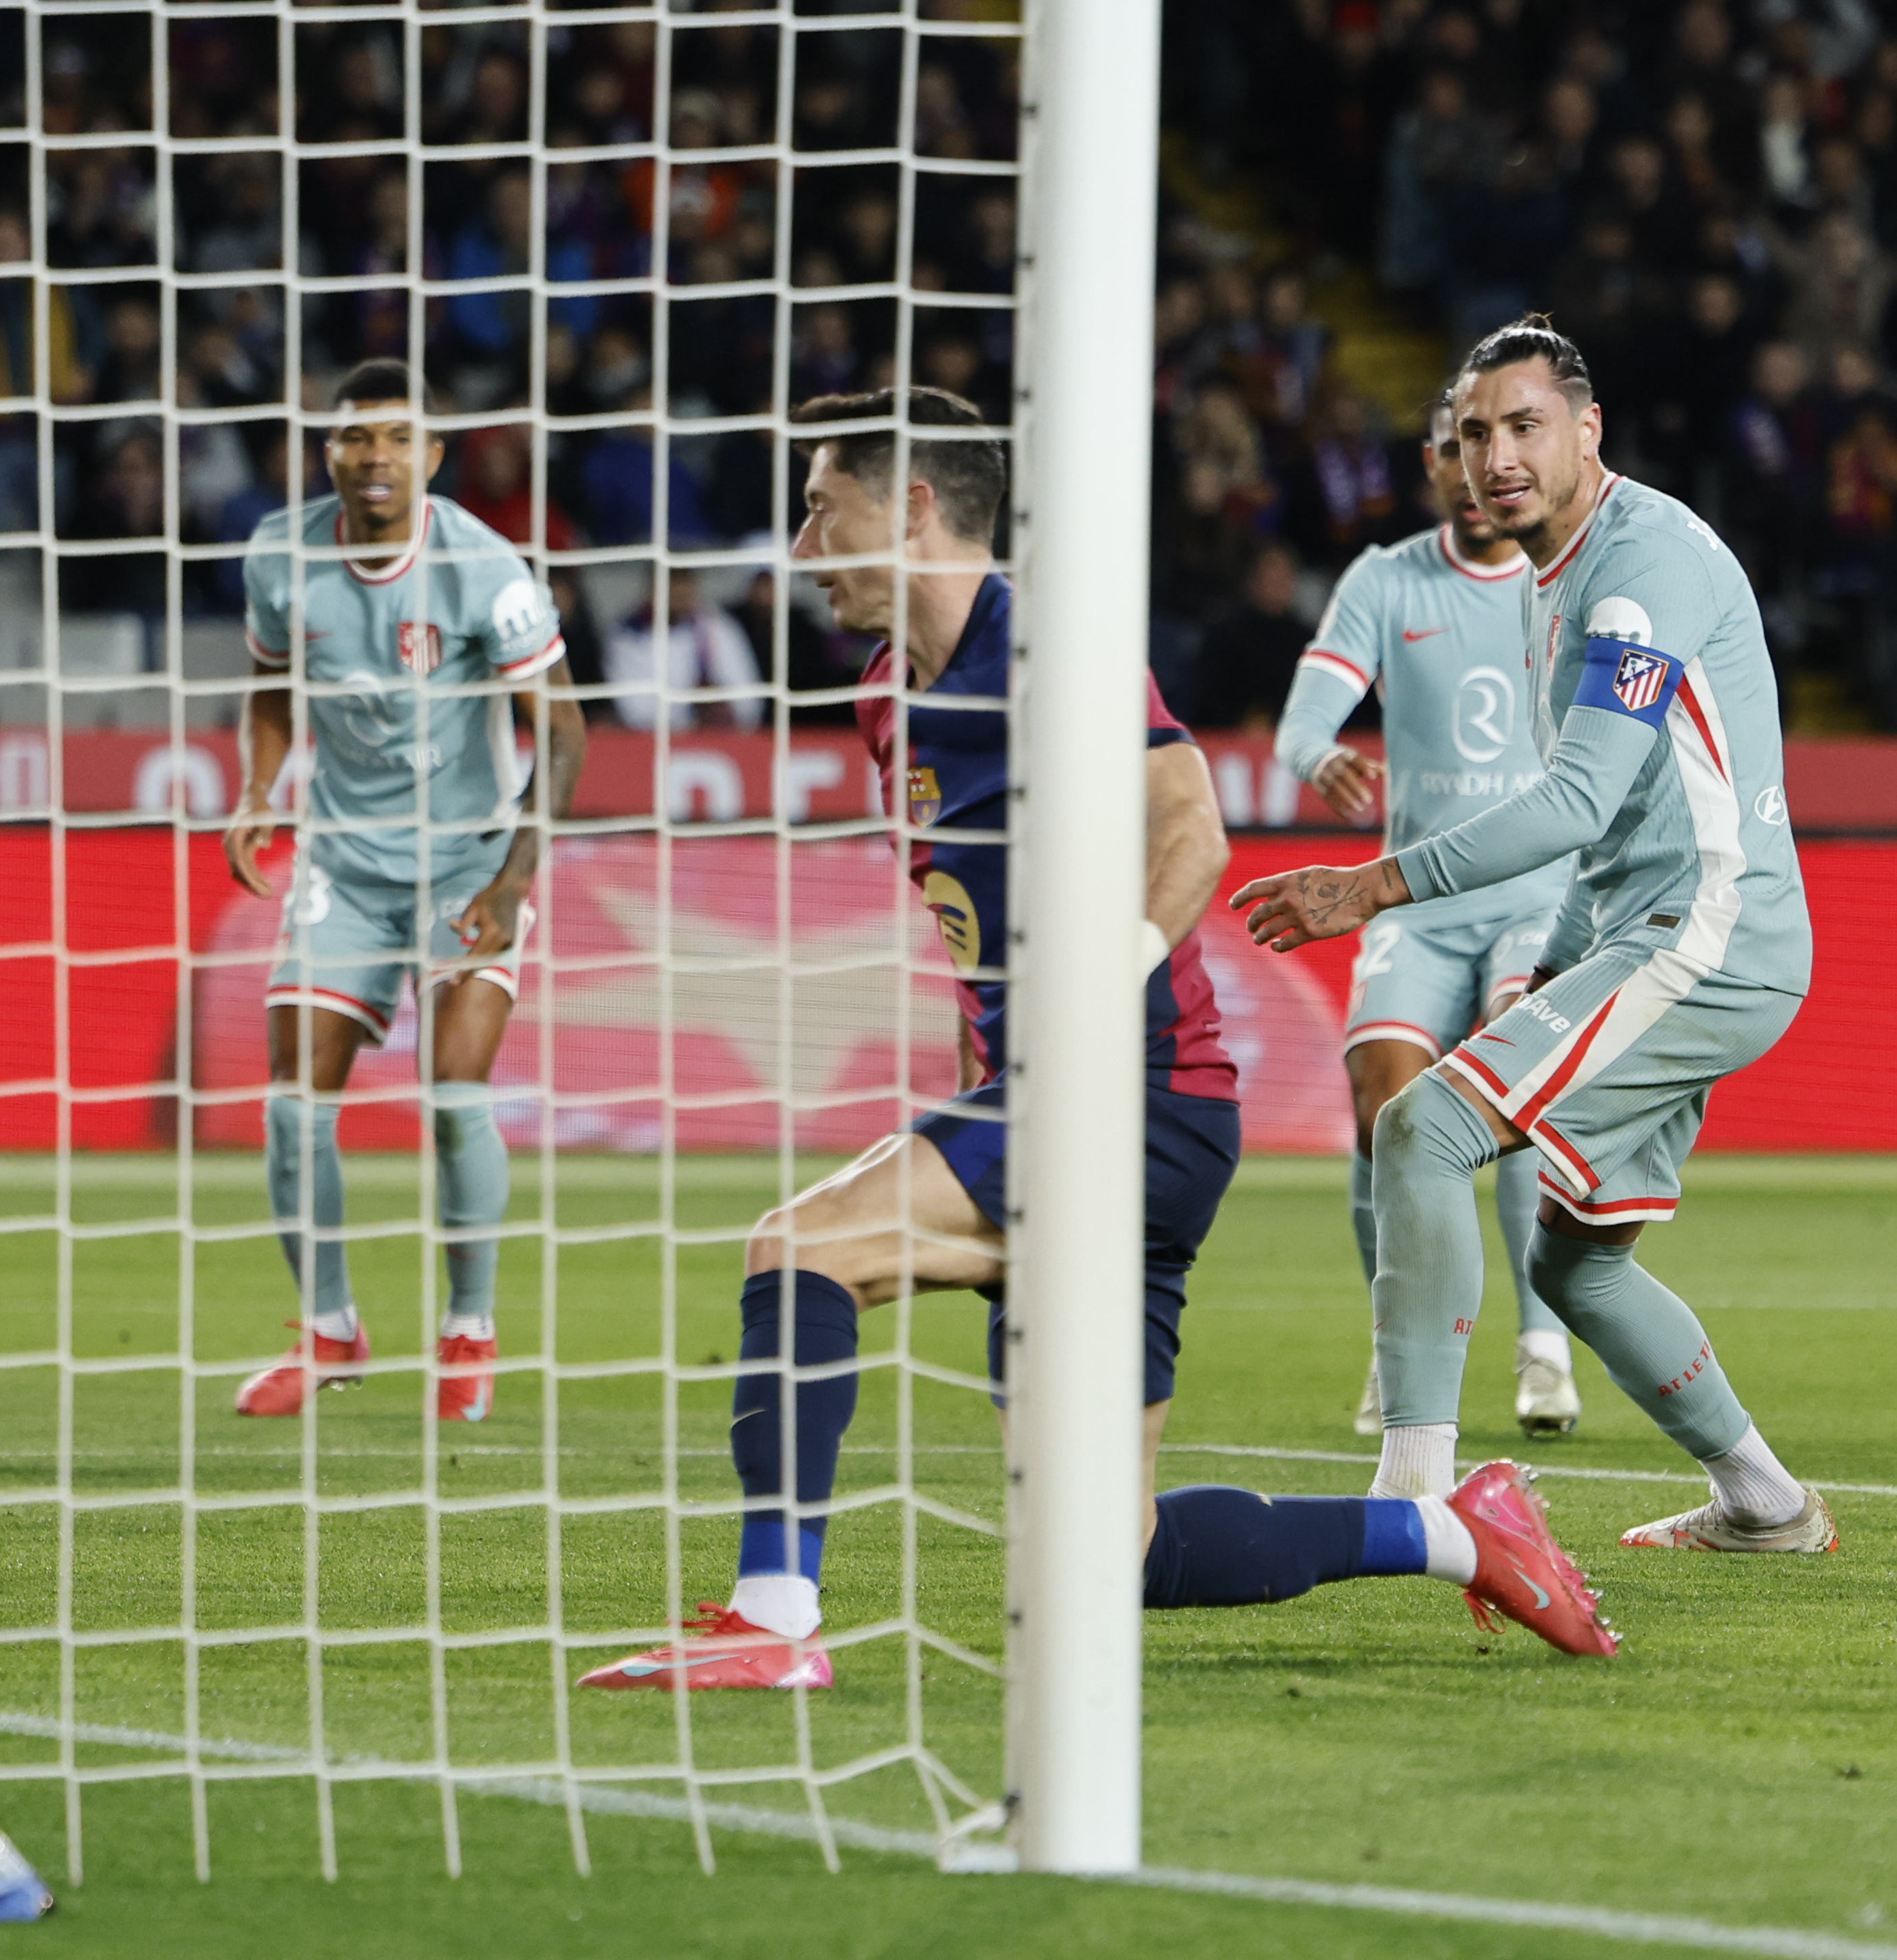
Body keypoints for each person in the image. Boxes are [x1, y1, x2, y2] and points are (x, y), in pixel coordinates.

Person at [584, 387, 1612, 1692]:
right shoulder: (887, 693)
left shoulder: (1045, 647)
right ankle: (1458, 1533)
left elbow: (1190, 827)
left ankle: (774, 1621)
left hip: (1130, 1097)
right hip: (1080, 1110)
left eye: (818, 510)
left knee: (803, 1249)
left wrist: (1099, 987)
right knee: (1103, 1555)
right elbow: (970, 930)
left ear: (909, 508)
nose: (798, 550)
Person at [1236, 320, 1831, 1555]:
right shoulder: (1553, 578)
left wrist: (1373, 885)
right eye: (1473, 434)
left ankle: (1408, 1502)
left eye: (1524, 425)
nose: (1496, 456)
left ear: (1586, 428)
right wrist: (1554, 966)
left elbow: (1570, 801)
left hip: (1703, 935)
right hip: (1655, 932)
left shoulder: (1637, 565)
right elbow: (1602, 834)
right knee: (1576, 1265)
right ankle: (1765, 1503)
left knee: (1421, 1129)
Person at [223, 360, 587, 1422]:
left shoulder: (486, 569)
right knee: (292, 1106)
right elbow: (269, 685)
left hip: (468, 858)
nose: (373, 456)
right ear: (327, 452)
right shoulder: (279, 554)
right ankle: (328, 1331)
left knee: (456, 1094)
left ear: (430, 456)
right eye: (354, 437)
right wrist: (257, 790)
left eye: (395, 438)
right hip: (343, 862)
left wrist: (513, 878)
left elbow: (563, 729)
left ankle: (468, 1327)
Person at [1276, 401, 1580, 1441]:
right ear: (1431, 463)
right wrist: (1319, 755)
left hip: (1536, 893)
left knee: (1515, 1091)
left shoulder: (1564, 575)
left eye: (1501, 441)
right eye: (1459, 446)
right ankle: (1394, 1339)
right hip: (1413, 898)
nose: (1481, 465)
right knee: (1381, 1109)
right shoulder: (1383, 579)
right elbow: (1301, 719)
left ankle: (1541, 1344)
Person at [601, 567, 766, 733]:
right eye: (672, 583)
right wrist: (689, 705)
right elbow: (636, 713)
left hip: (717, 738)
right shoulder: (628, 637)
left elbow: (750, 703)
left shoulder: (717, 628)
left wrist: (716, 701)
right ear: (652, 588)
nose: (679, 591)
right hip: (653, 739)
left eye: (684, 582)